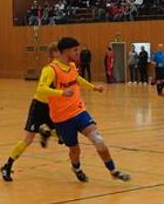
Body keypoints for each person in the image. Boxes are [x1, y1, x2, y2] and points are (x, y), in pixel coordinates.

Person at [39, 37, 130, 182]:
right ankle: (77, 168)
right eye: (75, 50)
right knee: (75, 150)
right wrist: (61, 93)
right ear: (66, 51)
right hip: (62, 117)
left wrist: (94, 87)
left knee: (98, 140)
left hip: (79, 111)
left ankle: (113, 171)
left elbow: (77, 79)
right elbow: (41, 89)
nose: (78, 52)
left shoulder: (72, 66)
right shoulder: (51, 70)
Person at [0, 48, 61, 182]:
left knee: (63, 135)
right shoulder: (48, 70)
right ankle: (7, 166)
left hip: (51, 107)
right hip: (39, 106)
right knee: (28, 139)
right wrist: (61, 93)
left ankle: (46, 132)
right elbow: (41, 88)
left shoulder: (62, 70)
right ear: (52, 55)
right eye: (57, 53)